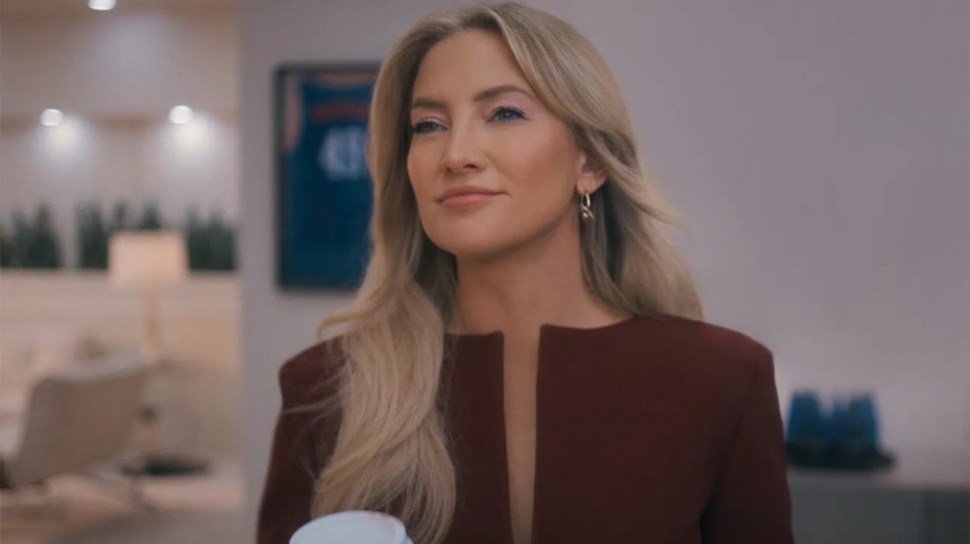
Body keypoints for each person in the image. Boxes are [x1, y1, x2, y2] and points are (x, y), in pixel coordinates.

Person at [257, 3, 793, 544]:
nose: (456, 154)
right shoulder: (326, 390)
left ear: (590, 161)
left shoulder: (724, 381)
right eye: (429, 126)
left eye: (504, 114)